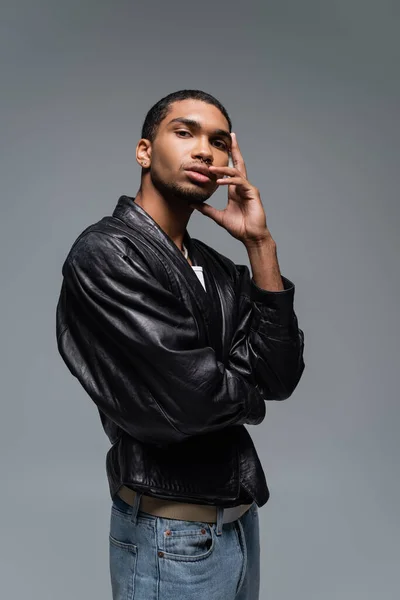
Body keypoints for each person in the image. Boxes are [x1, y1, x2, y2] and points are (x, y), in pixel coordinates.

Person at [56, 89, 305, 600]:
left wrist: (260, 246)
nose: (205, 152)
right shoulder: (106, 253)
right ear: (144, 151)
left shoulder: (217, 269)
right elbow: (191, 401)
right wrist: (242, 388)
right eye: (185, 132)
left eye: (218, 142)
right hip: (169, 537)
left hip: (237, 525)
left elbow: (280, 375)